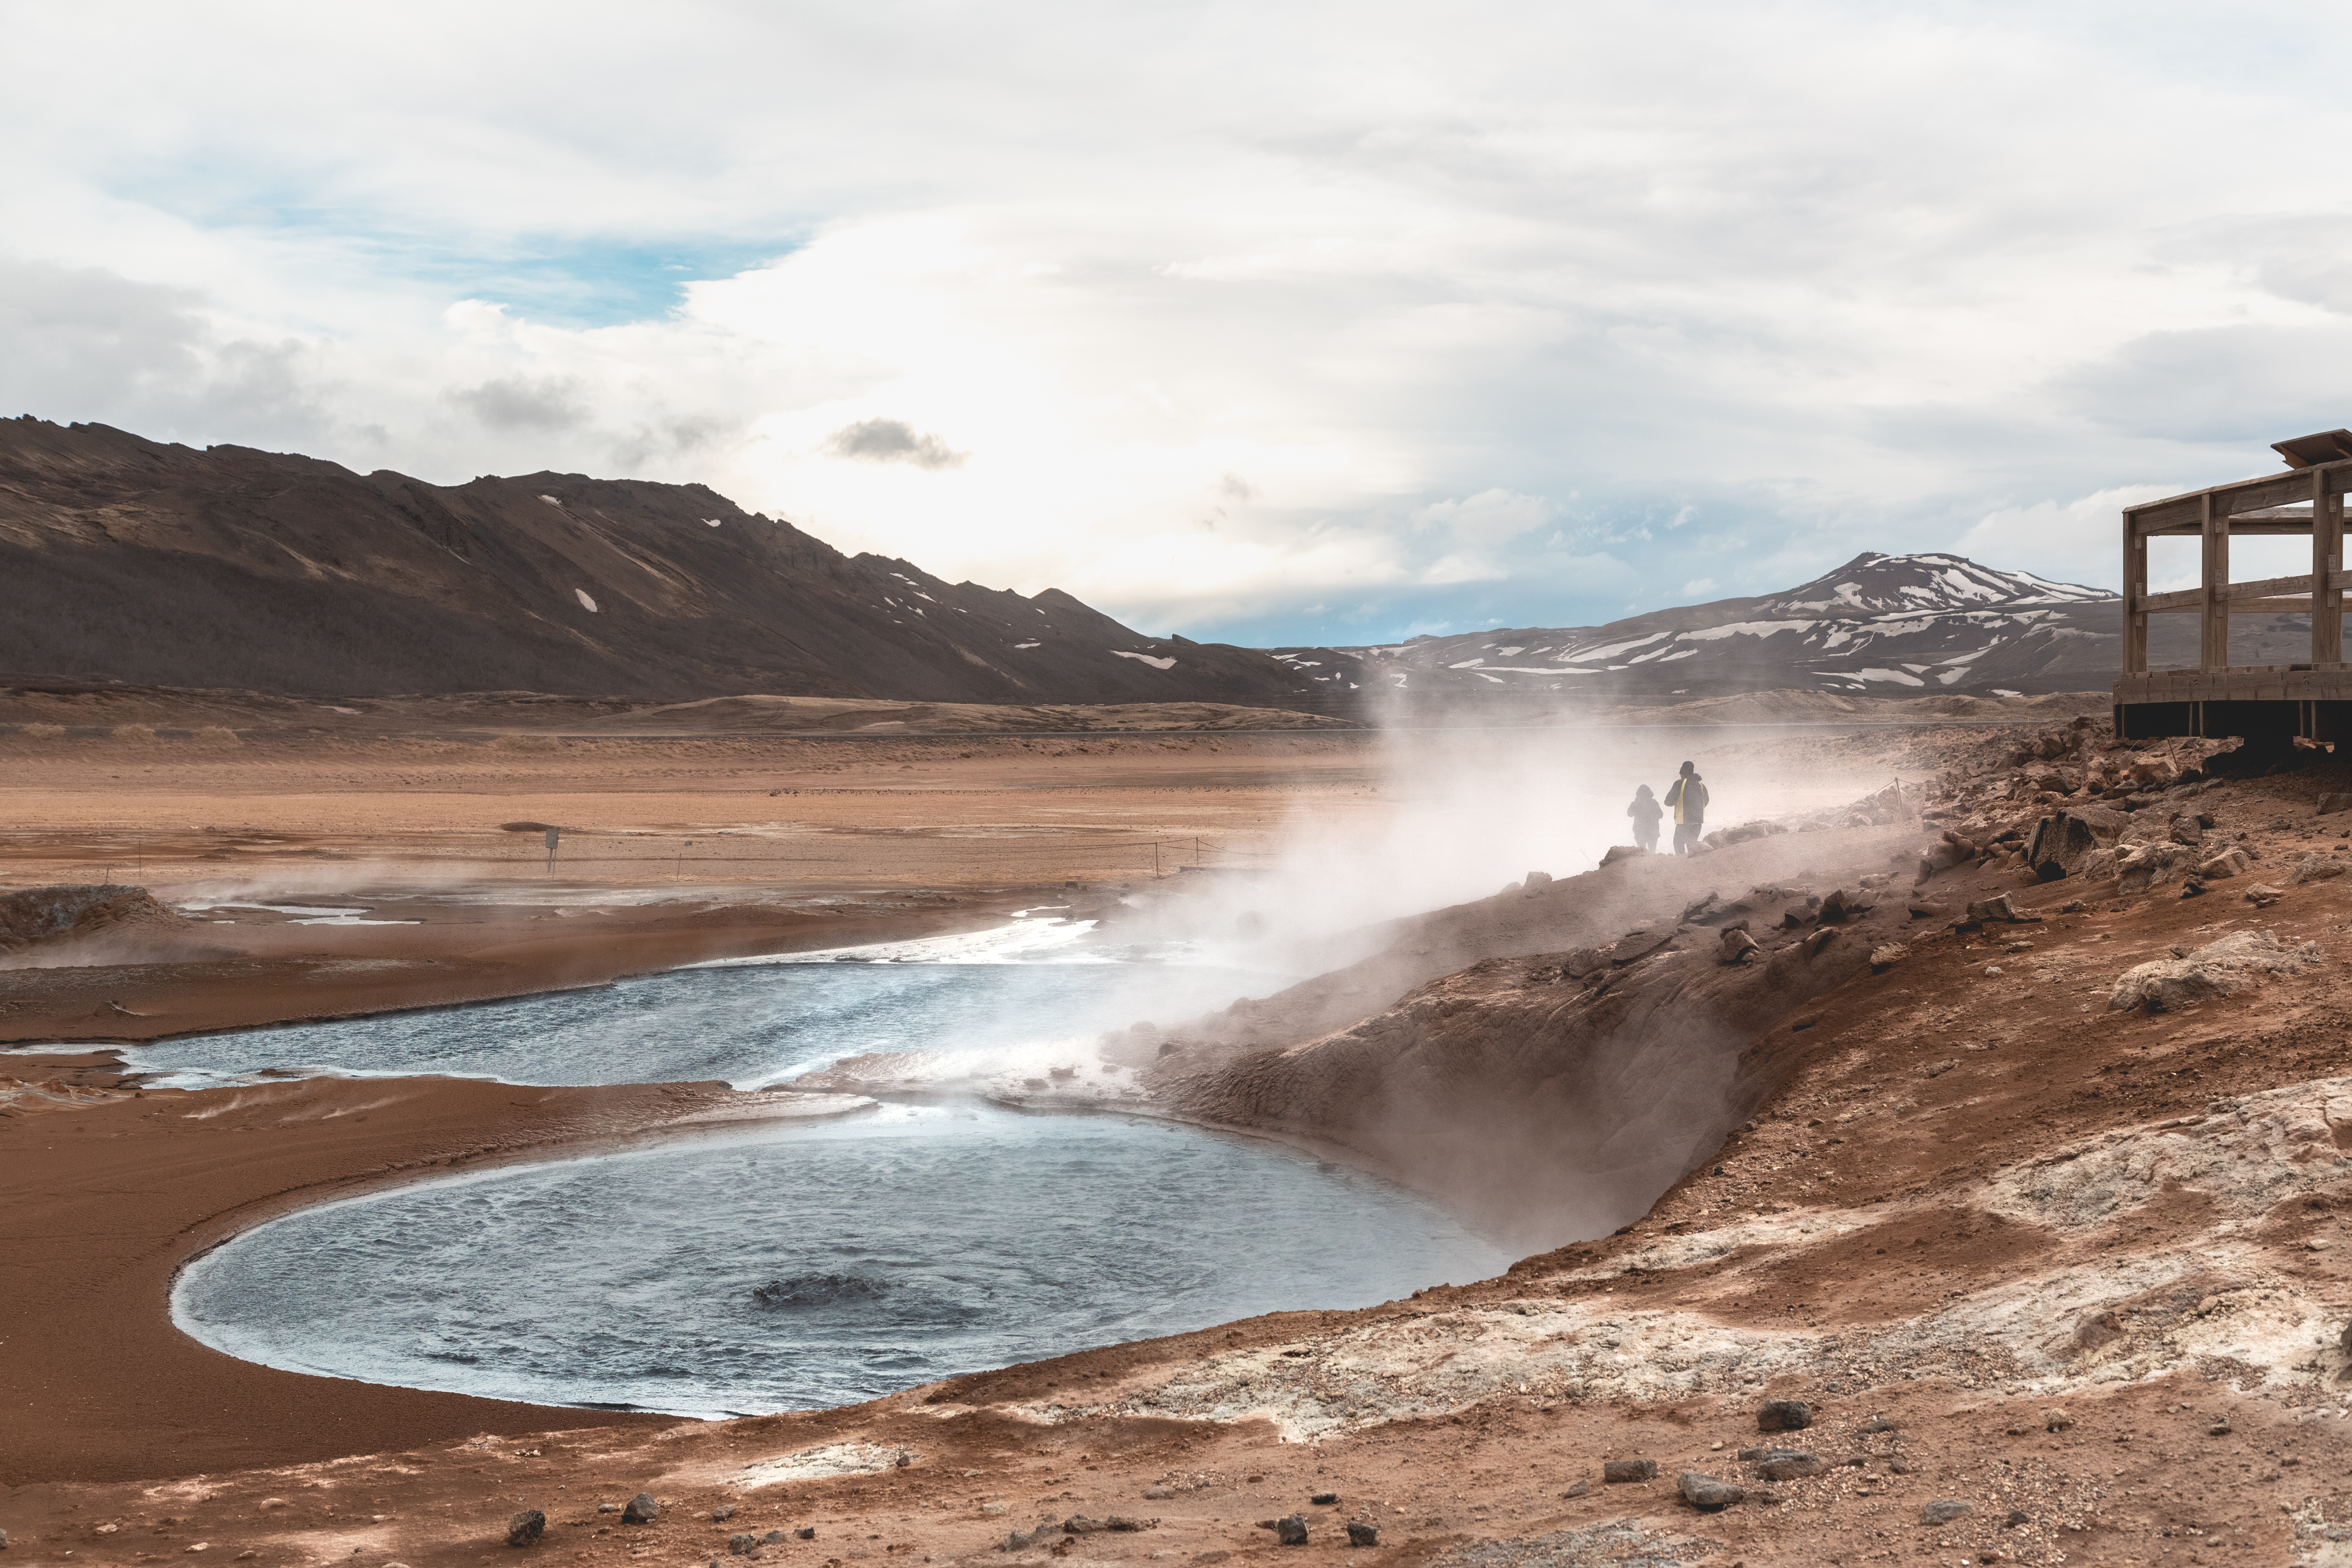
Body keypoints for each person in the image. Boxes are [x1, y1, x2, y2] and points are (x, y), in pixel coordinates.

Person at [1664, 760, 1708, 855]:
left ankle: (1682, 865)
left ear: (1682, 774)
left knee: (1678, 844)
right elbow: (1706, 801)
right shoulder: (1701, 786)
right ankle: (1692, 865)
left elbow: (1669, 802)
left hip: (1684, 822)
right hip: (1698, 822)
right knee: (1692, 845)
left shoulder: (1679, 784)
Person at [1626, 783, 1662, 853]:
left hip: (1640, 831)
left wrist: (1635, 804)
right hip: (1653, 831)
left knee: (1642, 852)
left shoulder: (1636, 803)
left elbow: (1629, 814)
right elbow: (1661, 815)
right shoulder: (1654, 803)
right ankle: (1652, 864)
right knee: (1652, 852)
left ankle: (1643, 864)